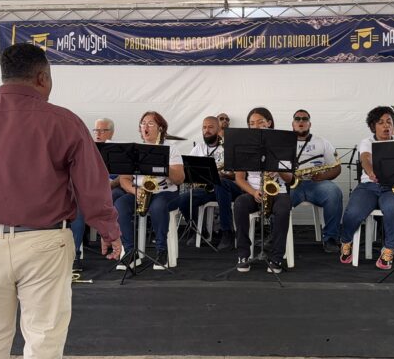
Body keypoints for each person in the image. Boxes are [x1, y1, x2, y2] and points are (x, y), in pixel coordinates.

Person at [0, 43, 121, 358]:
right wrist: (107, 229)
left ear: (4, 76)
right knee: (44, 335)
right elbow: (92, 183)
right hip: (45, 241)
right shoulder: (64, 121)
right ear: (42, 77)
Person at [339, 106, 394, 269]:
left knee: (392, 207)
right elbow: (365, 158)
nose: (386, 126)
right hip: (369, 186)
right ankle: (346, 240)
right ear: (373, 126)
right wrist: (370, 172)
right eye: (381, 122)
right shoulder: (367, 142)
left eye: (389, 122)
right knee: (353, 212)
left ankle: (389, 248)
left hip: (393, 187)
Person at [114, 111, 185, 269]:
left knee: (158, 206)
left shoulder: (171, 149)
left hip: (166, 192)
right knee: (120, 205)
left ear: (160, 128)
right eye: (143, 123)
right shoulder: (132, 150)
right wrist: (136, 191)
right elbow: (124, 179)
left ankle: (161, 250)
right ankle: (131, 252)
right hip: (141, 190)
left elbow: (180, 179)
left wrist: (163, 166)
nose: (145, 127)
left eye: (150, 123)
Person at [233, 107, 293, 274]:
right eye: (252, 123)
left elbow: (289, 178)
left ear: (269, 123)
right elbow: (239, 178)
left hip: (278, 191)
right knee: (239, 204)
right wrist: (253, 193)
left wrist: (278, 168)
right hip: (255, 191)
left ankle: (276, 257)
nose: (256, 126)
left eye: (260, 122)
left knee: (282, 209)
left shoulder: (282, 144)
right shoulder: (243, 146)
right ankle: (243, 254)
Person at [176, 116, 241, 250]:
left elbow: (240, 174)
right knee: (182, 199)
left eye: (211, 127)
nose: (207, 130)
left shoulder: (228, 147)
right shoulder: (198, 149)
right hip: (208, 189)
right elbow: (187, 171)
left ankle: (227, 232)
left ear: (218, 129)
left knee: (221, 183)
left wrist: (223, 175)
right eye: (204, 127)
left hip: (231, 188)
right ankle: (200, 231)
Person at [70, 117, 124, 268]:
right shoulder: (87, 149)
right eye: (96, 130)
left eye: (102, 130)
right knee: (77, 209)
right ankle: (75, 255)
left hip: (113, 189)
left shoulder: (120, 150)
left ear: (111, 132)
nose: (98, 133)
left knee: (116, 201)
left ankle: (114, 241)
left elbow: (126, 176)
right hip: (91, 190)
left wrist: (110, 184)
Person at [288, 109, 343, 253]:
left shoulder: (322, 142)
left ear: (309, 124)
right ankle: (276, 236)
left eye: (304, 119)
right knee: (278, 198)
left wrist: (323, 177)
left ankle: (330, 238)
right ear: (292, 123)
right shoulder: (283, 142)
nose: (301, 122)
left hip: (316, 183)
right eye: (297, 119)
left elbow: (337, 168)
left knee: (334, 192)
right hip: (292, 183)